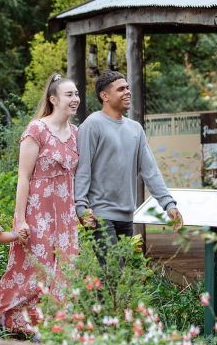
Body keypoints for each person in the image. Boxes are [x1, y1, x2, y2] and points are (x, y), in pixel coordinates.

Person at [0, 73, 80, 333]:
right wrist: (20, 218)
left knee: (65, 267)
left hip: (65, 214)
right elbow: (24, 176)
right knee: (31, 266)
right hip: (38, 210)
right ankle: (2, 317)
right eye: (69, 94)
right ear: (53, 99)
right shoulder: (36, 129)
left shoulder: (76, 133)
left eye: (76, 94)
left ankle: (52, 324)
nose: (75, 99)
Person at [74, 70, 183, 265]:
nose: (127, 92)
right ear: (104, 96)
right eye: (121, 89)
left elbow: (150, 171)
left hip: (126, 215)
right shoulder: (92, 125)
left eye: (127, 88)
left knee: (120, 282)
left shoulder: (135, 129)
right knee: (115, 273)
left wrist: (169, 204)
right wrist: (81, 207)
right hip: (100, 214)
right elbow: (83, 169)